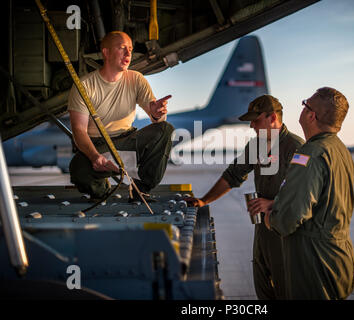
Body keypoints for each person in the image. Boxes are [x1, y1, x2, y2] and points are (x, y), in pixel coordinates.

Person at [187, 95, 304, 299]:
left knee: (287, 289)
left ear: (272, 117)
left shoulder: (296, 147)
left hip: (286, 233)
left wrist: (274, 203)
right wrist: (204, 200)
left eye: (256, 120)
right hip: (263, 231)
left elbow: (306, 191)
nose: (251, 126)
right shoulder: (256, 145)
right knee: (263, 287)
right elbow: (233, 175)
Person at [265, 87, 354, 299]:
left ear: (311, 115)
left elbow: (289, 218)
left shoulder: (310, 154)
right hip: (338, 257)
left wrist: (271, 218)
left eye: (305, 103)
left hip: (315, 265)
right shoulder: (339, 150)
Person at [68, 31, 174, 199]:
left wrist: (156, 114)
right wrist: (94, 157)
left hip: (127, 141)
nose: (128, 54)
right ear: (106, 52)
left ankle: (141, 189)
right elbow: (79, 130)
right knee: (78, 170)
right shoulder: (85, 85)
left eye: (130, 49)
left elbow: (157, 119)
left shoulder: (136, 79)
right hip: (98, 146)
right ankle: (102, 191)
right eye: (122, 48)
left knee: (165, 129)